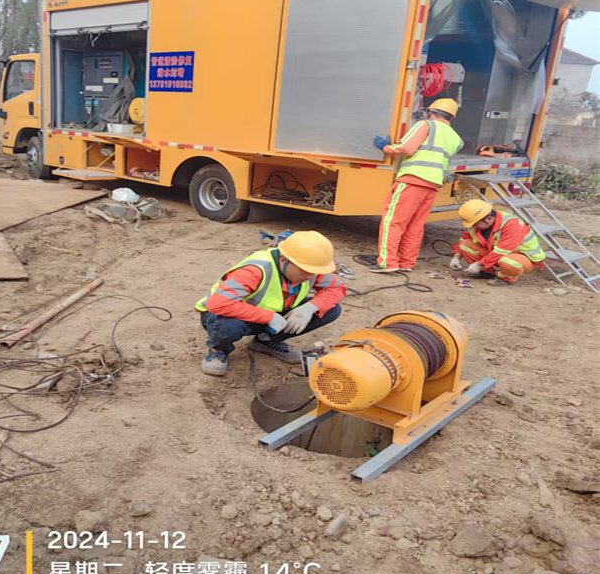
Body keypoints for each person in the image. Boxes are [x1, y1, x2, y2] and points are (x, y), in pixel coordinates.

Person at [196, 231, 346, 376]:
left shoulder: (310, 268)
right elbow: (218, 304)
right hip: (227, 315)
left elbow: (337, 287)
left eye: (314, 271)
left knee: (330, 309)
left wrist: (309, 308)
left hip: (269, 317)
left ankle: (266, 341)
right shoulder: (255, 270)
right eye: (305, 270)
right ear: (284, 259)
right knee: (229, 325)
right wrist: (269, 317)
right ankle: (219, 351)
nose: (310, 276)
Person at [369, 98, 464, 274]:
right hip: (433, 183)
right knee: (415, 225)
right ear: (451, 117)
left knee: (393, 222)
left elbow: (407, 149)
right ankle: (406, 262)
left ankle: (387, 263)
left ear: (430, 111)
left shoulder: (426, 125)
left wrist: (388, 147)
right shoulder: (456, 138)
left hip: (412, 179)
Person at [449, 200, 546, 286]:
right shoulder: (475, 224)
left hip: (524, 256)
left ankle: (506, 278)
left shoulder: (512, 224)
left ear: (489, 219)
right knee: (465, 245)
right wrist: (455, 258)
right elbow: (463, 240)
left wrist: (477, 265)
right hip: (498, 253)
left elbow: (501, 252)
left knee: (509, 262)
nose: (473, 227)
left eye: (476, 224)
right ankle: (486, 273)